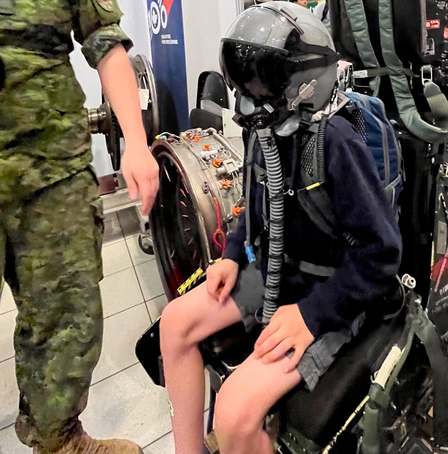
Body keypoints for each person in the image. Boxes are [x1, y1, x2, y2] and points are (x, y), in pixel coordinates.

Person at [159, 3, 402, 454]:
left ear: (303, 82)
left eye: (261, 80)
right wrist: (232, 253)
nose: (247, 99)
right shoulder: (264, 129)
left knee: (234, 413)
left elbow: (382, 254)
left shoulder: (336, 142)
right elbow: (256, 205)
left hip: (331, 293)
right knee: (173, 323)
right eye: (243, 80)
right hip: (273, 271)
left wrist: (313, 314)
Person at [0, 1, 158, 454]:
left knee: (67, 314)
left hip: (52, 169)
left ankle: (57, 436)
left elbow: (107, 40)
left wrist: (135, 142)